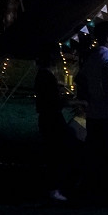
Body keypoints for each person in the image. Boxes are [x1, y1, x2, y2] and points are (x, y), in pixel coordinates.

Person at [81, 21, 108, 200]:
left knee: (96, 152)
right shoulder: (105, 54)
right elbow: (107, 72)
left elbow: (81, 78)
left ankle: (94, 188)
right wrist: (107, 95)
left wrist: (90, 96)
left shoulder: (92, 55)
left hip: (94, 112)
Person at [35, 49, 71, 202]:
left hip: (46, 117)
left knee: (53, 152)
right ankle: (54, 188)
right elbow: (54, 102)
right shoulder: (47, 77)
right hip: (52, 118)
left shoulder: (41, 76)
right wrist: (74, 101)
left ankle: (53, 186)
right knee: (56, 152)